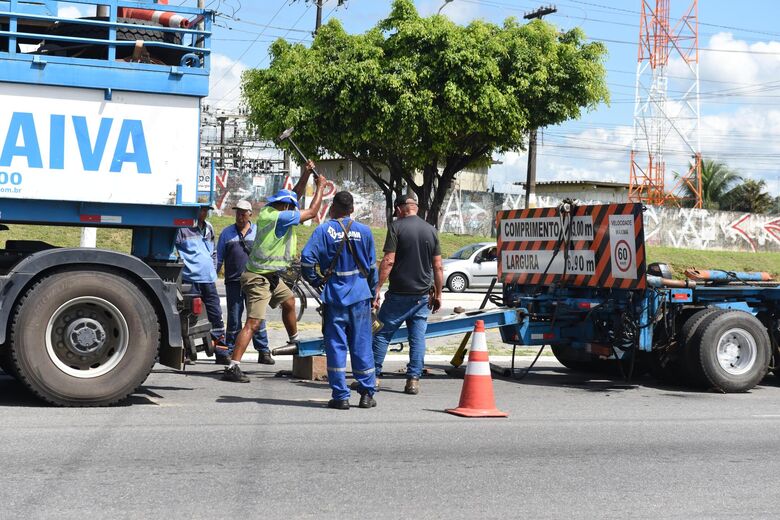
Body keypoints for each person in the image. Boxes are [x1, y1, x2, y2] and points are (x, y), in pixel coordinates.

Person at [222, 161, 326, 383]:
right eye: (292, 206)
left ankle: (295, 342)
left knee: (289, 302)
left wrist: (306, 174)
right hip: (258, 278)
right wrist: (320, 188)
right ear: (286, 207)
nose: (294, 208)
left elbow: (294, 195)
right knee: (253, 322)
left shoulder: (273, 210)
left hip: (269, 275)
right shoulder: (279, 217)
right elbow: (313, 212)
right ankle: (233, 366)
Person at [300, 191, 378, 410]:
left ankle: (341, 396)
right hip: (360, 296)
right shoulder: (365, 231)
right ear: (352, 209)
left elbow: (307, 259)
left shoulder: (324, 230)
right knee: (362, 345)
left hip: (334, 297)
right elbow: (372, 268)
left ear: (333, 208)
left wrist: (315, 280)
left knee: (336, 346)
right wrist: (372, 292)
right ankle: (366, 394)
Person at [372, 192, 444, 395]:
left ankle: (374, 377)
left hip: (398, 295)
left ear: (398, 209)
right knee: (417, 338)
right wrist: (438, 294)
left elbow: (388, 260)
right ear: (417, 208)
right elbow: (438, 266)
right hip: (422, 296)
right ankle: (413, 380)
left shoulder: (396, 227)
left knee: (381, 335)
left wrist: (377, 288)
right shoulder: (431, 230)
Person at [216, 199, 272, 365]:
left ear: (250, 215)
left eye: (243, 213)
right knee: (234, 319)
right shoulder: (227, 233)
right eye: (237, 213)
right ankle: (230, 350)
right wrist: (213, 275)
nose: (240, 216)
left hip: (255, 281)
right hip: (233, 282)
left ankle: (263, 351)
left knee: (257, 318)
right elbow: (219, 257)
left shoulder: (258, 232)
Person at [175, 204, 226, 362]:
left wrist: (213, 270)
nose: (203, 213)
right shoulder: (182, 228)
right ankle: (188, 352)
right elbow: (173, 248)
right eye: (200, 210)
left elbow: (214, 252)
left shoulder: (209, 227)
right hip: (191, 279)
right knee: (190, 318)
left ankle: (221, 351)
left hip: (208, 279)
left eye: (205, 210)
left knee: (216, 315)